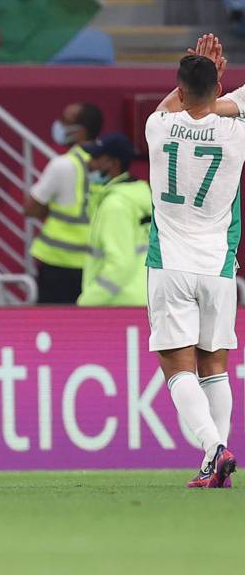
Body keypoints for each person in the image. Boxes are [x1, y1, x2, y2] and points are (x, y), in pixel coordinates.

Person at [147, 38, 244, 488]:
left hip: (170, 263)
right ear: (220, 85)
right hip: (219, 266)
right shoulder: (236, 128)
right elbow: (218, 103)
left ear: (179, 89)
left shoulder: (159, 125)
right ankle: (215, 462)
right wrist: (218, 82)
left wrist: (200, 75)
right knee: (215, 367)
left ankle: (213, 448)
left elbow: (178, 101)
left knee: (178, 368)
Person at [24, 102, 103, 304]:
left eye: (66, 121)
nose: (59, 124)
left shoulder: (62, 165)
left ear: (81, 131)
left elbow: (31, 207)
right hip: (96, 262)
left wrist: (48, 212)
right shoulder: (108, 164)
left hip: (57, 263)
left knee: (53, 326)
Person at [77, 133, 151, 306]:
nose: (89, 163)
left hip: (119, 302)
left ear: (113, 163)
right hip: (144, 298)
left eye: (96, 157)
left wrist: (87, 302)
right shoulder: (141, 195)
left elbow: (119, 264)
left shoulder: (115, 205)